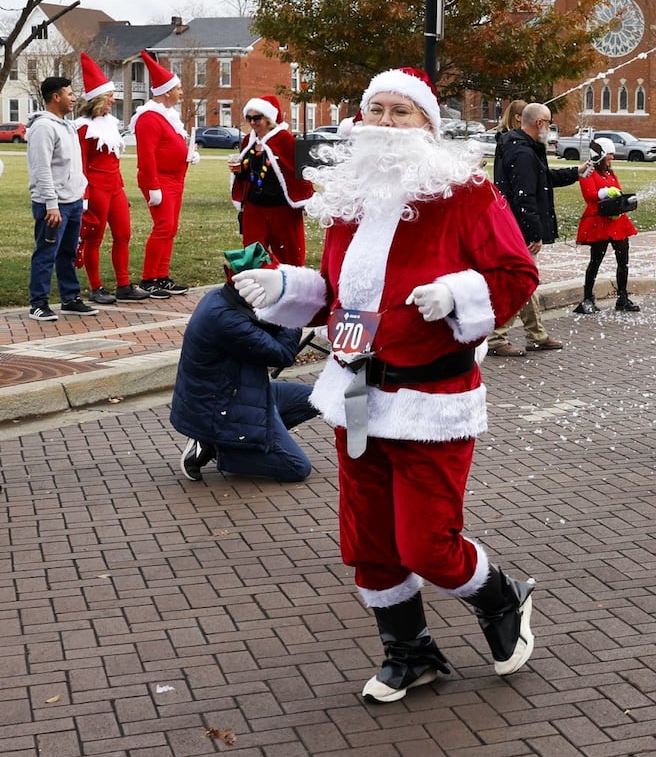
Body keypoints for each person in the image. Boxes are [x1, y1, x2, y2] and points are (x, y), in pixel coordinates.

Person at [231, 67, 542, 704]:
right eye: (377, 110)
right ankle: (410, 651)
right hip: (356, 391)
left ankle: (501, 596)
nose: (386, 124)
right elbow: (343, 296)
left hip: (432, 398)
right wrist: (289, 290)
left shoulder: (467, 192)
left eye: (403, 112)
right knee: (369, 539)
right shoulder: (350, 197)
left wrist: (458, 293)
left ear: (429, 126)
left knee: (427, 543)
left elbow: (516, 274)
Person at [172, 244, 319, 482]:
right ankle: (223, 449)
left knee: (320, 398)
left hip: (241, 393)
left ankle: (246, 441)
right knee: (297, 468)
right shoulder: (226, 319)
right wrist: (293, 313)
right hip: (220, 407)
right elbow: (282, 355)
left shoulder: (226, 298)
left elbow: (268, 327)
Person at [491, 101, 573, 356]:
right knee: (520, 281)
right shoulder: (524, 153)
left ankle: (536, 334)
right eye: (548, 123)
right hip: (519, 229)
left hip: (512, 224)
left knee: (526, 280)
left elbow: (542, 180)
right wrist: (533, 233)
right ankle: (496, 339)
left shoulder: (520, 147)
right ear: (539, 124)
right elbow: (525, 195)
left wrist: (577, 172)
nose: (549, 128)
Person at [74, 53, 150, 305]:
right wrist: (84, 197)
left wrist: (122, 188)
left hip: (115, 187)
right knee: (94, 237)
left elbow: (114, 160)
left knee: (123, 234)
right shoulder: (83, 128)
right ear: (97, 99)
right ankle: (96, 287)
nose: (113, 100)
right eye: (109, 97)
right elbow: (81, 165)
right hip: (95, 187)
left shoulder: (110, 124)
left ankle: (124, 284)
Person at [130, 50, 196, 296]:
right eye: (178, 89)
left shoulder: (168, 116)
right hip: (160, 180)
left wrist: (188, 155)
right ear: (167, 91)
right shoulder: (149, 118)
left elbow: (171, 146)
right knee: (163, 226)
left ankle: (162, 274)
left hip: (175, 179)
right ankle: (149, 278)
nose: (181, 93)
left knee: (171, 228)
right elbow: (146, 155)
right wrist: (153, 185)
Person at [27, 76, 93, 321]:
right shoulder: (44, 127)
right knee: (46, 253)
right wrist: (51, 204)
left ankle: (70, 298)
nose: (74, 97)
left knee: (68, 252)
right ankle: (38, 303)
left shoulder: (67, 125)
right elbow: (41, 168)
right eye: (69, 93)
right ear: (56, 97)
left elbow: (74, 165)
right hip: (53, 205)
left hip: (73, 201)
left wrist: (81, 194)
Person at [230, 94, 313, 265]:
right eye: (249, 118)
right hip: (254, 208)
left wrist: (305, 198)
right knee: (253, 253)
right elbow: (248, 173)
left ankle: (290, 287)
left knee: (289, 255)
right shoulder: (248, 140)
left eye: (257, 118)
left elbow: (300, 173)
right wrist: (239, 172)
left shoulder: (285, 140)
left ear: (268, 119)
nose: (252, 122)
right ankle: (259, 286)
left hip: (282, 209)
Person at [575, 138, 639, 313]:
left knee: (623, 261)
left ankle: (623, 297)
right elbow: (590, 195)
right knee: (595, 261)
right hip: (599, 222)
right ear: (600, 155)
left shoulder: (609, 173)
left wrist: (621, 201)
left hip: (616, 222)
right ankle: (588, 298)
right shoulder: (588, 171)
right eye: (609, 155)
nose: (612, 158)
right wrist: (605, 193)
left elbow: (616, 189)